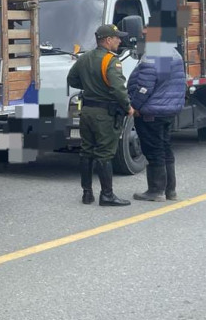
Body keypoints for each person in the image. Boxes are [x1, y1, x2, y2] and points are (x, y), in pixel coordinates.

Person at [67, 24, 134, 206]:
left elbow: (71, 79)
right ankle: (107, 195)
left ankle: (87, 194)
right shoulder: (111, 61)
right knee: (105, 154)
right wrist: (128, 107)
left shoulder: (85, 58)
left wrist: (90, 88)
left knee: (87, 151)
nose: (120, 40)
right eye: (117, 37)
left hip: (86, 111)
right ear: (108, 40)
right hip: (104, 114)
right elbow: (118, 89)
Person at [128, 22, 186, 201]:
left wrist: (135, 106)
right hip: (168, 111)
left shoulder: (152, 56)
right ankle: (170, 190)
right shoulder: (174, 53)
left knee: (154, 152)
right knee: (166, 149)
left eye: (145, 34)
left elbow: (144, 87)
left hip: (151, 112)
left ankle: (156, 190)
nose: (142, 38)